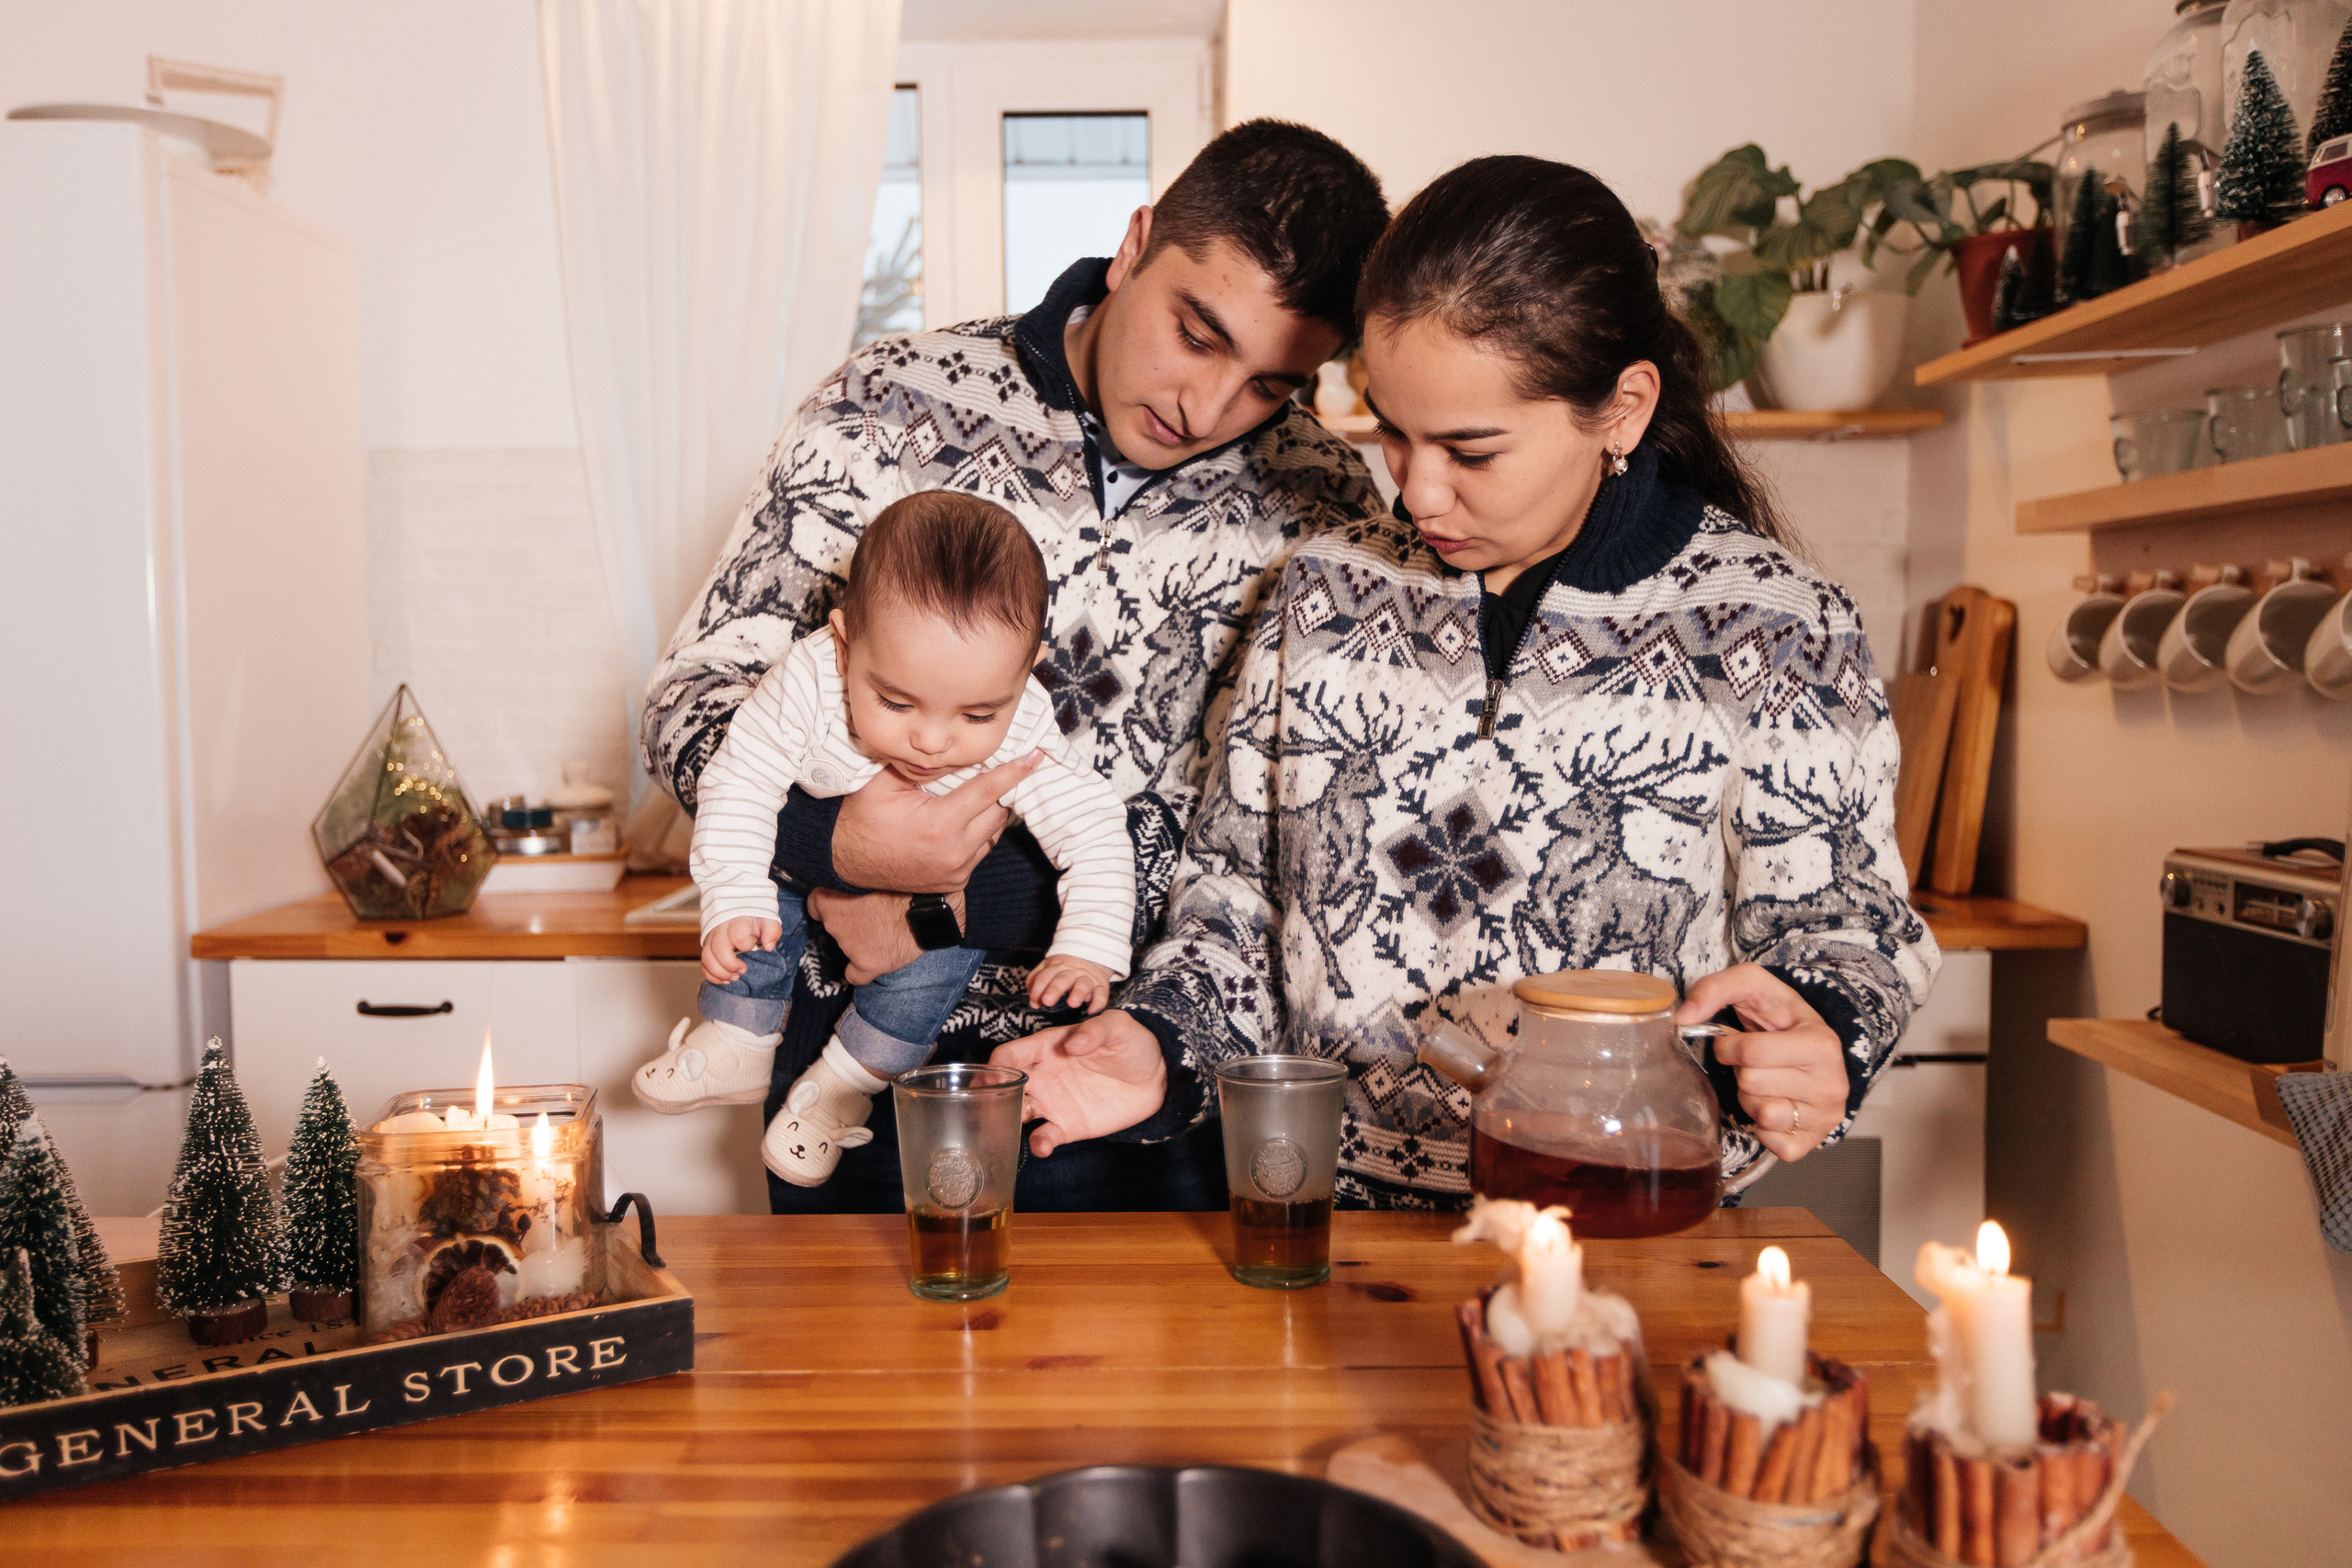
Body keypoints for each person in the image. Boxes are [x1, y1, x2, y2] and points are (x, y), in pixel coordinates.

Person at [994, 155, 1942, 1207]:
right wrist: (1161, 1043)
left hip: (1628, 1226)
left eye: (1471, 450)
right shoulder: (1322, 591)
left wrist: (1822, 1036)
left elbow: (1850, 936)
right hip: (1316, 1214)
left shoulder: (1779, 627)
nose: (1418, 490)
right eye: (1390, 432)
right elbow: (1231, 904)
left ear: (1621, 409)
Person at [639, 119, 1390, 1213]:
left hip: (1139, 1094)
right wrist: (834, 838)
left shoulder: (1327, 508)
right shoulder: (888, 403)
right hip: (856, 1086)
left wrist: (946, 899)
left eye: (1273, 384)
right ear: (1133, 246)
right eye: (1195, 333)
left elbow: (1279, 849)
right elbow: (693, 701)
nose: (1205, 409)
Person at [634, 494, 1132, 1188]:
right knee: (756, 899)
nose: (931, 740)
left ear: (1027, 673)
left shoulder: (1025, 722)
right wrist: (733, 896)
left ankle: (841, 1090)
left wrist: (1088, 946)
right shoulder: (807, 682)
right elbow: (739, 778)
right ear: (844, 645)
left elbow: (1096, 825)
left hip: (942, 911)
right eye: (895, 703)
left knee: (933, 966)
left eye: (977, 712)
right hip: (801, 876)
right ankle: (742, 1033)